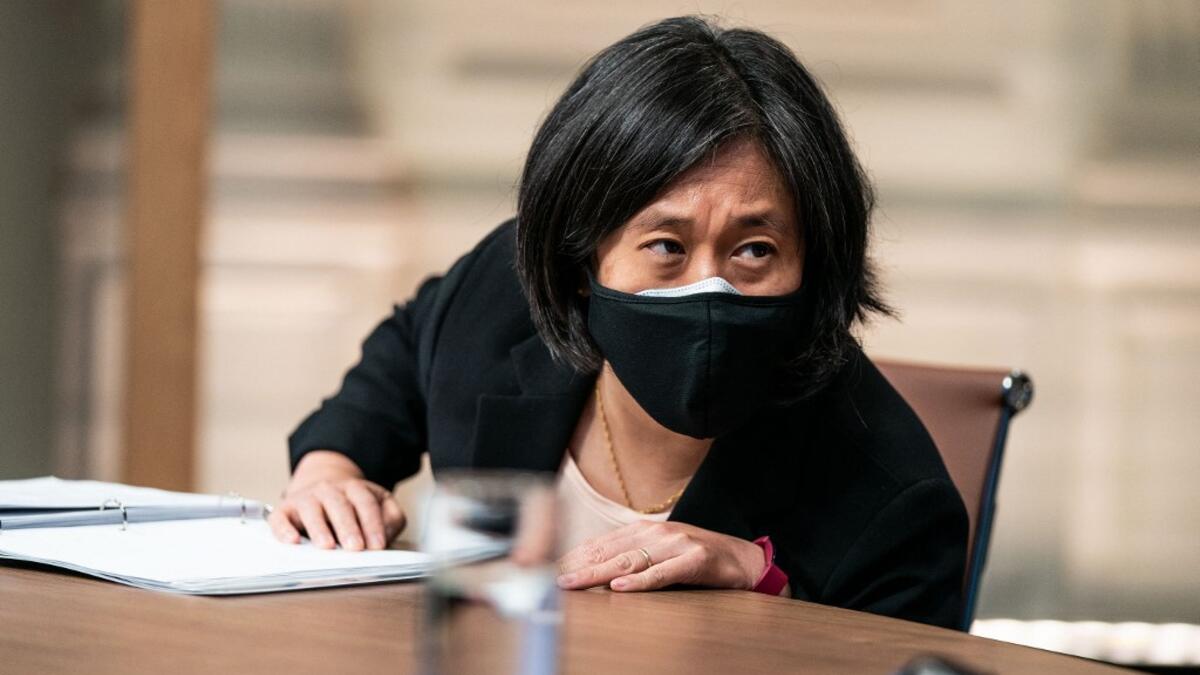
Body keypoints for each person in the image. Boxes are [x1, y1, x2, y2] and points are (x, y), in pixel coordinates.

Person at [269, 15, 968, 630]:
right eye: (666, 246)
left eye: (755, 249)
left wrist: (768, 584)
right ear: (581, 261)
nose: (709, 285)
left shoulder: (898, 507)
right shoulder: (501, 297)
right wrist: (333, 465)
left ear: (815, 263)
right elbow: (410, 344)